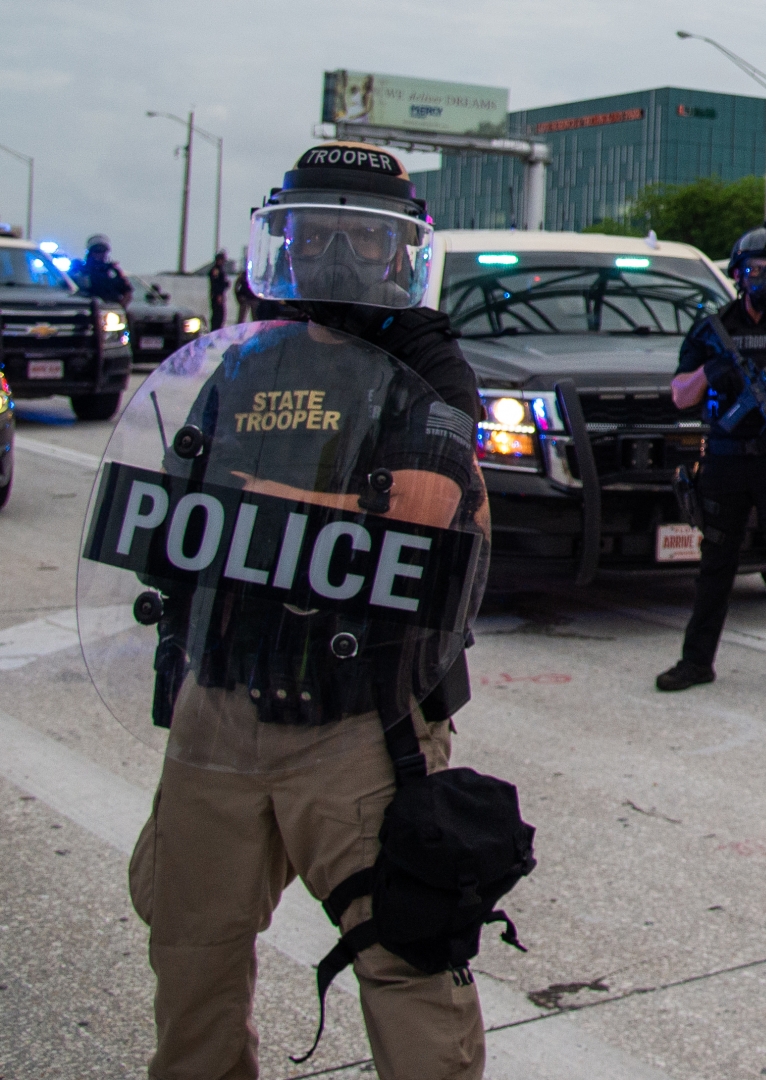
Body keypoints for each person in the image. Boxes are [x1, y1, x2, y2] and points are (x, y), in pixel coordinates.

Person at [126, 142, 491, 1080]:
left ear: (397, 252)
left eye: (362, 238)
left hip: (362, 711)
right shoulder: (246, 358)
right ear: (281, 241)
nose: (337, 255)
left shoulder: (425, 359)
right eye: (315, 233)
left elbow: (428, 503)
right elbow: (178, 493)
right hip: (226, 693)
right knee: (189, 947)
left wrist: (258, 498)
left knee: (408, 957)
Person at [656, 219, 766, 700]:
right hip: (724, 461)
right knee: (715, 565)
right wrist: (712, 369)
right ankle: (696, 662)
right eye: (758, 269)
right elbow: (679, 395)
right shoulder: (714, 329)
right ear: (739, 274)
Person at [70, 233, 133, 306]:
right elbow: (68, 290)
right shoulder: (80, 271)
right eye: (97, 251)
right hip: (86, 309)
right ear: (90, 252)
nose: (101, 254)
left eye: (103, 250)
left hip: (109, 310)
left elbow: (128, 292)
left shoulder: (113, 271)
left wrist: (120, 308)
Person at [207, 250, 230, 330]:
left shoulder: (220, 270)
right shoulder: (216, 270)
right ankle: (215, 330)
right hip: (217, 296)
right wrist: (218, 294)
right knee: (217, 315)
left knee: (221, 315)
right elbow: (215, 283)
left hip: (220, 295)